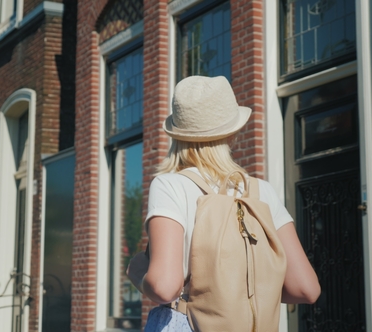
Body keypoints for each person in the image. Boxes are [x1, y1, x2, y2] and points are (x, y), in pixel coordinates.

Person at [127, 75, 321, 331]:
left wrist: (138, 272)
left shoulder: (170, 185)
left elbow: (164, 286)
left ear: (177, 136)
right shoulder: (262, 192)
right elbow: (306, 289)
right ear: (231, 134)